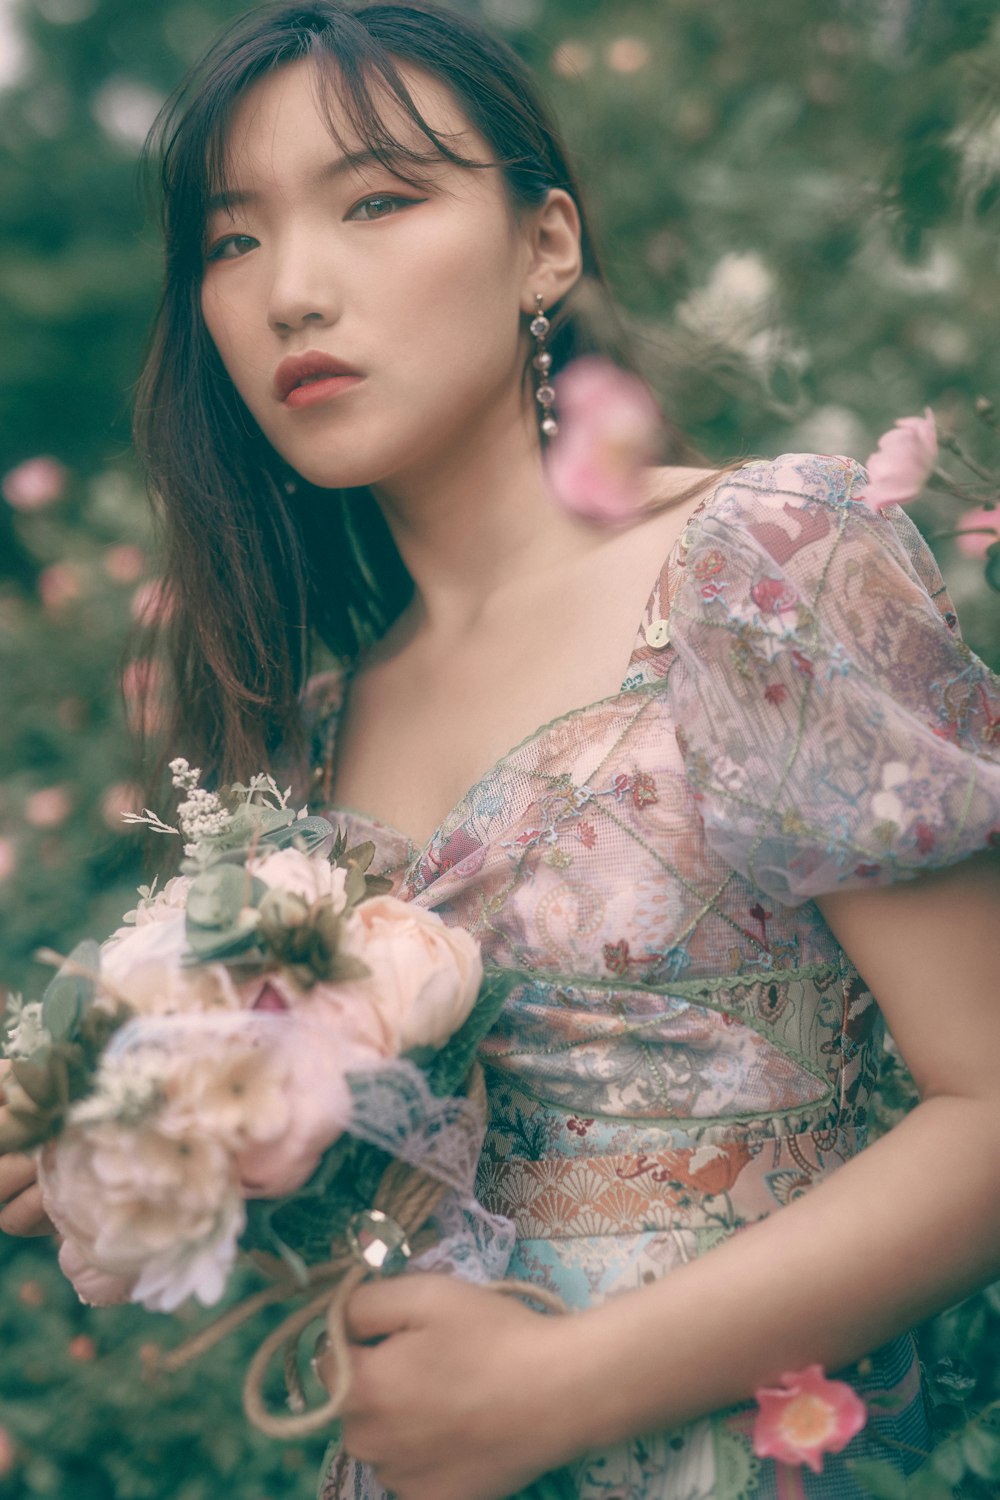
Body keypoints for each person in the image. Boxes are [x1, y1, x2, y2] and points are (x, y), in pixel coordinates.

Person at [3, 3, 1000, 1498]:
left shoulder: (757, 560)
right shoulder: (322, 723)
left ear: (545, 245)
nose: (292, 293)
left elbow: (989, 1101)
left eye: (379, 200)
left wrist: (559, 1388)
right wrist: (129, 1121)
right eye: (232, 241)